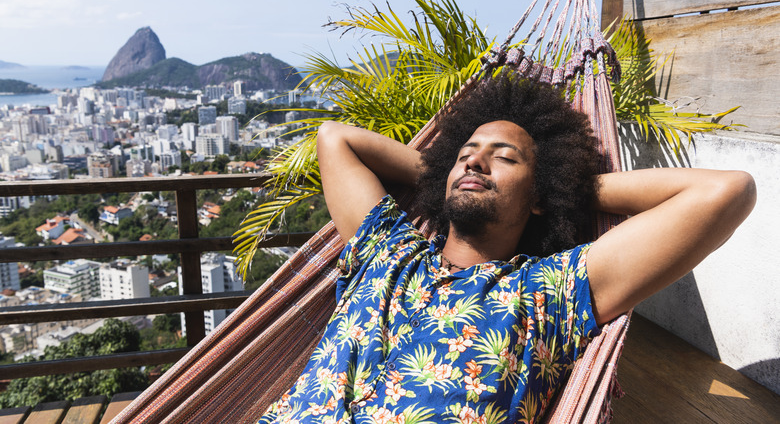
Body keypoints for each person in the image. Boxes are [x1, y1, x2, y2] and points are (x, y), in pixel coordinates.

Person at [258, 72, 755, 423]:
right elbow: (334, 137)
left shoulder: (550, 293)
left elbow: (726, 191)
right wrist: (447, 176)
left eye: (504, 158)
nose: (475, 164)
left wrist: (563, 189)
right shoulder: (386, 249)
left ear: (540, 195)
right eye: (465, 155)